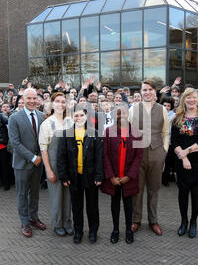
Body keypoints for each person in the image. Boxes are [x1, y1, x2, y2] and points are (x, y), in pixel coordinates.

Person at [56, 105, 104, 244]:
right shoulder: (66, 134)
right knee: (77, 207)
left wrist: (99, 175)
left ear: (86, 117)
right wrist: (64, 176)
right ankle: (78, 231)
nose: (78, 118)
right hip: (73, 176)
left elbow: (99, 157)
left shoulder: (94, 133)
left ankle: (93, 231)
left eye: (81, 115)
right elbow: (61, 157)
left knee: (92, 206)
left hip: (90, 176)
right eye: (75, 116)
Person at [129, 79, 170, 236]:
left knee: (154, 189)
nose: (147, 92)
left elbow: (166, 133)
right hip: (138, 154)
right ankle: (136, 219)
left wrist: (164, 152)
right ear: (140, 92)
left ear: (155, 92)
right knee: (137, 189)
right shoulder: (133, 108)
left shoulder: (162, 110)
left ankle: (153, 220)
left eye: (150, 90)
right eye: (144, 90)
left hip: (156, 153)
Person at [171, 88, 198, 238]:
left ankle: (193, 222)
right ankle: (184, 222)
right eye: (187, 97)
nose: (191, 100)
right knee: (182, 192)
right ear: (183, 100)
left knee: (195, 191)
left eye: (193, 97)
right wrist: (183, 157)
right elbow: (174, 141)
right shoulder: (178, 117)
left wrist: (187, 152)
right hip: (181, 160)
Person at [101, 105, 143, 244]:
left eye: (124, 114)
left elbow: (138, 157)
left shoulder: (136, 133)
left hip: (128, 178)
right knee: (115, 204)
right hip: (113, 177)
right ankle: (115, 230)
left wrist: (128, 176)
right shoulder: (108, 132)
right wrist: (111, 176)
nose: (121, 116)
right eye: (118, 114)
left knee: (128, 205)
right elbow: (105, 155)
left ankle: (129, 230)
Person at [8, 88, 46, 238]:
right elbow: (15, 143)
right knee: (22, 194)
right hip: (22, 164)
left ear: (37, 100)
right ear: (22, 99)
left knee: (35, 193)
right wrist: (32, 157)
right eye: (28, 98)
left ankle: (33, 217)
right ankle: (24, 222)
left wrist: (41, 157)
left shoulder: (43, 116)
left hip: (39, 163)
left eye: (34, 98)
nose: (31, 101)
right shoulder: (14, 118)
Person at [38, 92, 74, 236]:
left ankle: (67, 222)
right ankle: (57, 223)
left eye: (63, 101)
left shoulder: (71, 122)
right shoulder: (47, 123)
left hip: (69, 165)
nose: (60, 104)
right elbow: (43, 149)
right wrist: (48, 170)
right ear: (52, 104)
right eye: (57, 101)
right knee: (56, 196)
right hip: (53, 164)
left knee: (68, 196)